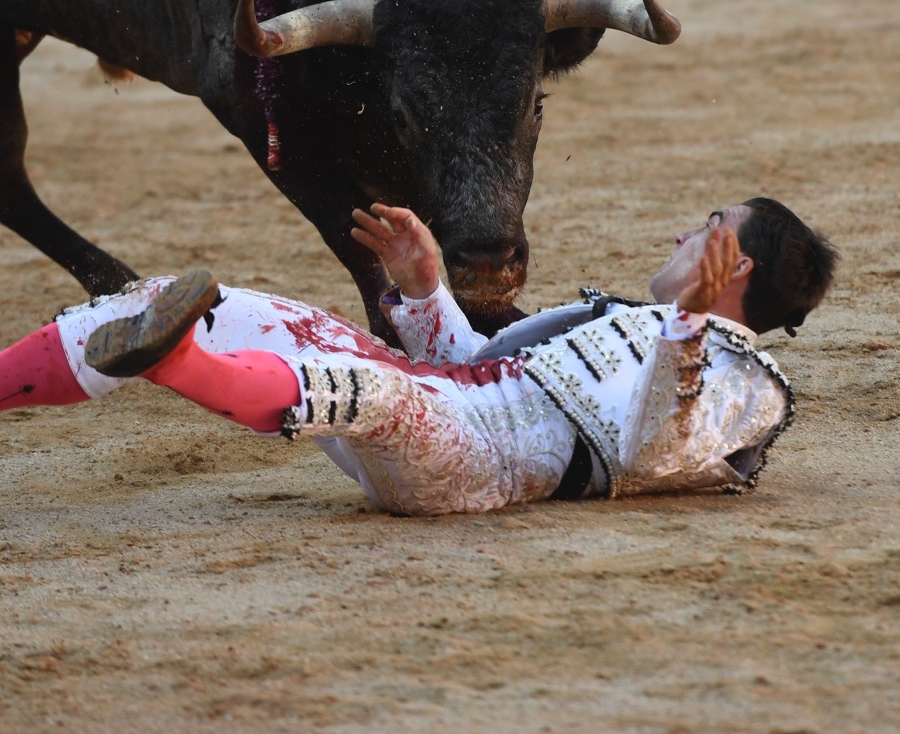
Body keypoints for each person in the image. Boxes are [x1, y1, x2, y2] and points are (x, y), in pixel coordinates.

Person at [0, 198, 838, 515]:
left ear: (739, 263)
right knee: (239, 307)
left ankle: (172, 357)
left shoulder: (750, 385)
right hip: (444, 402)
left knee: (373, 391)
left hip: (478, 465)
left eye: (706, 224)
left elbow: (653, 454)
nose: (681, 230)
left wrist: (686, 328)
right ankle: (159, 339)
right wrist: (428, 289)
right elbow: (472, 361)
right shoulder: (622, 316)